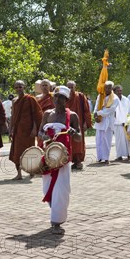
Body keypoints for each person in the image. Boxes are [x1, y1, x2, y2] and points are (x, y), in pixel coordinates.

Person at [38, 86, 82, 235]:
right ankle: (56, 211)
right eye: (56, 97)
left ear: (66, 100)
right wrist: (45, 137)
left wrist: (74, 132)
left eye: (61, 98)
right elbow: (40, 131)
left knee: (61, 190)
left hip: (63, 159)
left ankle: (56, 222)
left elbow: (79, 137)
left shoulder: (73, 116)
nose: (57, 100)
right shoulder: (47, 114)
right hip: (47, 156)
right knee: (47, 188)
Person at [9, 80, 43, 180]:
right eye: (16, 87)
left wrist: (34, 128)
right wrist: (10, 129)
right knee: (17, 151)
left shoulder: (30, 99)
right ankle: (19, 173)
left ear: (24, 87)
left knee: (29, 151)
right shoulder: (14, 101)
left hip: (28, 131)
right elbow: (13, 116)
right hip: (18, 130)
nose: (18, 89)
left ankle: (31, 171)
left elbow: (36, 114)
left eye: (20, 87)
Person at [65, 81, 92, 169]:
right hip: (67, 123)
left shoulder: (80, 97)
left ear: (75, 87)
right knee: (68, 142)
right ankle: (70, 161)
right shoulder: (64, 97)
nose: (70, 89)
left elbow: (86, 110)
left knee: (78, 143)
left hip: (78, 123)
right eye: (68, 87)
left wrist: (85, 123)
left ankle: (78, 161)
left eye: (72, 87)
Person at [93, 81, 120, 164]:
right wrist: (95, 114)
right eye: (106, 87)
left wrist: (98, 113)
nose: (107, 89)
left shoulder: (115, 98)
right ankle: (99, 157)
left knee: (107, 140)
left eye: (109, 87)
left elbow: (109, 110)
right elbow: (96, 106)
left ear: (112, 88)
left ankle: (106, 158)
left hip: (108, 122)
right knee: (99, 140)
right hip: (99, 121)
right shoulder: (100, 96)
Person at [113, 84, 130, 161]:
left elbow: (129, 111)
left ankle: (128, 154)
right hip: (117, 123)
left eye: (120, 90)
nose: (119, 92)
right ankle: (119, 156)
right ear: (114, 91)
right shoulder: (113, 100)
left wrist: (127, 121)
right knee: (118, 140)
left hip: (126, 123)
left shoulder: (126, 99)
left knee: (127, 140)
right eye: (118, 91)